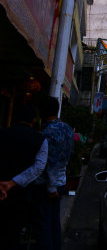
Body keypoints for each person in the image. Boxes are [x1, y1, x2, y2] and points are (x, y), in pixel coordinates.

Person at [0, 102, 48, 250]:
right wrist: (13, 183)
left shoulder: (2, 134)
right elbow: (38, 167)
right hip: (22, 194)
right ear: (34, 120)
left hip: (1, 191)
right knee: (14, 234)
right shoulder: (40, 139)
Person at [33, 97, 74, 250]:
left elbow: (49, 162)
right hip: (61, 181)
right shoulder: (68, 129)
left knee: (43, 226)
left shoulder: (48, 132)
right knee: (53, 221)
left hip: (47, 185)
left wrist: (51, 187)